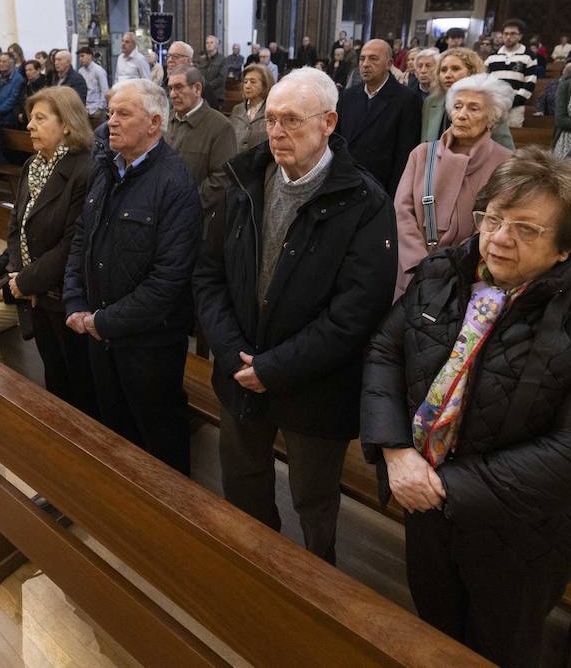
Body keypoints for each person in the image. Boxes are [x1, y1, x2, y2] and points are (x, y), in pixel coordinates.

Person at [362, 148, 571, 667]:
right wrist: (395, 449)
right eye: (493, 217)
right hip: (425, 503)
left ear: (567, 245)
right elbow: (386, 350)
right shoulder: (443, 272)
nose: (497, 238)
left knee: (499, 646)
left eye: (527, 229)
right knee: (436, 630)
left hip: (525, 534)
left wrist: (445, 487)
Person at [193, 68, 394, 563]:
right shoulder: (243, 179)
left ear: (329, 122)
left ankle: (316, 577)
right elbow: (208, 275)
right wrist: (230, 351)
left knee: (313, 496)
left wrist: (274, 368)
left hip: (314, 386)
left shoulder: (364, 201)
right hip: (240, 367)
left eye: (291, 121)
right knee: (244, 482)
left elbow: (356, 312)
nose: (276, 132)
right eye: (272, 120)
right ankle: (256, 567)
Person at [63, 78, 202, 474]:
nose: (111, 123)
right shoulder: (106, 169)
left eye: (124, 114)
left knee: (159, 445)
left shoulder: (175, 183)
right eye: (109, 114)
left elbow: (168, 280)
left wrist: (102, 321)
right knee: (117, 437)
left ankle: (171, 522)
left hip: (148, 345)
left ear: (155, 124)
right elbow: (81, 240)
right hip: (100, 335)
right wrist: (75, 301)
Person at [0, 88, 98, 416]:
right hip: (34, 288)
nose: (29, 125)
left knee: (77, 378)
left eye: (40, 118)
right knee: (54, 373)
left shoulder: (84, 170)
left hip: (65, 294)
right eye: (30, 118)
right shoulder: (34, 164)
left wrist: (21, 284)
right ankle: (56, 429)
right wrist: (16, 275)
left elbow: (71, 245)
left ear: (67, 124)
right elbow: (16, 227)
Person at [394, 74, 513, 300]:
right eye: (457, 106)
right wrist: (420, 262)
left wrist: (458, 265)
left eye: (474, 109)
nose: (462, 115)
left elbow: (497, 222)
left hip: (470, 277)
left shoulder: (506, 162)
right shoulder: (422, 154)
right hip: (413, 272)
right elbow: (402, 211)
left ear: (492, 118)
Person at [335, 38, 423, 196]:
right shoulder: (348, 96)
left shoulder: (406, 99)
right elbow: (337, 139)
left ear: (389, 64)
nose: (365, 64)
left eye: (373, 58)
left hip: (380, 188)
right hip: (346, 182)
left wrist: (394, 195)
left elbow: (404, 154)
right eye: (362, 59)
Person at [164, 64, 237, 216]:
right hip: (164, 212)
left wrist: (187, 204)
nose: (172, 94)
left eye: (178, 87)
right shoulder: (166, 120)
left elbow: (222, 178)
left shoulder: (220, 126)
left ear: (197, 89)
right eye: (170, 88)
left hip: (197, 218)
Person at [486, 19, 538, 128]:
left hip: (515, 107)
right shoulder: (492, 57)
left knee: (512, 138)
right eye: (506, 34)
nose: (508, 37)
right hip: (494, 105)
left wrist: (512, 102)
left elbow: (530, 83)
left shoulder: (528, 56)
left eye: (513, 34)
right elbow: (484, 80)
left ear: (520, 36)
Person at [229, 63, 273, 153]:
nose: (247, 86)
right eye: (245, 82)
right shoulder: (237, 109)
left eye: (253, 82)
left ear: (265, 85)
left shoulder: (271, 110)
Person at [76, 47, 109, 121]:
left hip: (97, 109)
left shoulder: (98, 70)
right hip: (85, 110)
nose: (80, 59)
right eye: (79, 57)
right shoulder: (80, 72)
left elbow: (105, 90)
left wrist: (100, 108)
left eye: (82, 56)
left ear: (90, 56)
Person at [195, 35, 228, 110]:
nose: (209, 44)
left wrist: (207, 87)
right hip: (203, 96)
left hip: (216, 96)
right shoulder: (203, 60)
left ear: (216, 45)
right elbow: (199, 75)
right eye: (207, 43)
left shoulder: (222, 60)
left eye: (211, 42)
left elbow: (221, 78)